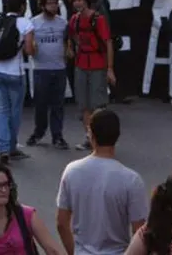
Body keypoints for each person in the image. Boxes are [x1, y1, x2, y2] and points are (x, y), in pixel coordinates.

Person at [56, 109, 149, 255]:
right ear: (117, 135)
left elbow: (62, 223)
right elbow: (139, 231)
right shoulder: (131, 179)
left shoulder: (72, 171)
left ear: (90, 133)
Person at [0, 0, 35, 163]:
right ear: (22, 7)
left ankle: (3, 149)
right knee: (15, 112)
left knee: (1, 112)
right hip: (15, 73)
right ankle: (12, 148)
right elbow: (28, 51)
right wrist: (35, 47)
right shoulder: (25, 23)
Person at [68, 0, 116, 150]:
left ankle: (99, 138)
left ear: (86, 1)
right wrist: (71, 48)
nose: (77, 3)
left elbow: (108, 42)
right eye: (75, 0)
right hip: (81, 64)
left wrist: (109, 68)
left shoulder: (98, 19)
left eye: (80, 0)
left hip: (97, 64)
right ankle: (89, 137)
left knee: (98, 104)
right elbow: (72, 37)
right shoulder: (74, 20)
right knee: (83, 105)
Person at [27, 0, 69, 149]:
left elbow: (66, 41)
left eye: (55, 3)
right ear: (43, 5)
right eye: (50, 3)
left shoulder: (62, 23)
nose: (53, 6)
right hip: (41, 68)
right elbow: (28, 43)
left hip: (59, 68)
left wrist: (67, 51)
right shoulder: (34, 22)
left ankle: (57, 135)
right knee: (41, 103)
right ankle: (39, 131)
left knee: (58, 104)